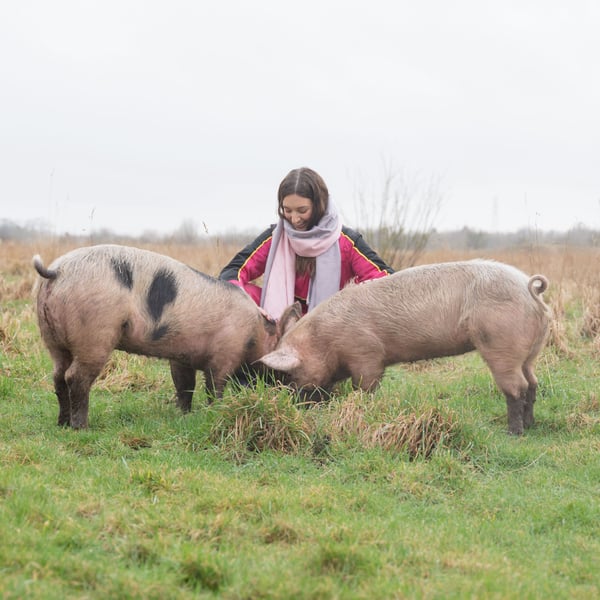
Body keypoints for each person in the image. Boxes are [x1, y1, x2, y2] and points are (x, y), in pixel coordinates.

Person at [219, 167, 394, 320]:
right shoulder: (275, 237)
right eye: (287, 210)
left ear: (319, 205)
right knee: (236, 294)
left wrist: (351, 297)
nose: (294, 219)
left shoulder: (347, 242)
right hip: (280, 321)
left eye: (302, 210)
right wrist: (249, 306)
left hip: (332, 324)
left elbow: (387, 280)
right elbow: (232, 272)